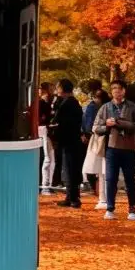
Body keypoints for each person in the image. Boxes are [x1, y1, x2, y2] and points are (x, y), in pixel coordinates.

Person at [93, 79, 135, 221]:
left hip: (129, 148)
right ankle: (110, 208)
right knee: (111, 179)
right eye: (114, 88)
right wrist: (107, 125)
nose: (116, 91)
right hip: (112, 148)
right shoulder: (105, 107)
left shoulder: (133, 107)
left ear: (124, 90)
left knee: (130, 179)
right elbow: (95, 128)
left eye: (119, 88)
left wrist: (123, 124)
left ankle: (132, 208)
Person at [49, 79, 84, 208]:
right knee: (68, 169)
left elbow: (63, 121)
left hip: (70, 140)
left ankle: (74, 198)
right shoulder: (69, 103)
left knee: (71, 169)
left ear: (62, 89)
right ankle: (70, 196)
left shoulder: (70, 104)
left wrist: (56, 126)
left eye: (58, 88)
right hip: (68, 141)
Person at [80, 79, 104, 192]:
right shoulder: (106, 103)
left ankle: (92, 185)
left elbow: (88, 122)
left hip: (92, 136)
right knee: (101, 162)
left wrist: (85, 133)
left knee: (91, 161)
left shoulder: (91, 106)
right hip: (103, 136)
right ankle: (99, 186)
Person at [38, 82, 56, 195]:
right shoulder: (40, 103)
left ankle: (47, 184)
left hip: (46, 132)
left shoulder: (48, 102)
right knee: (47, 159)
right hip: (42, 131)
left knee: (49, 159)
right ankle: (45, 185)